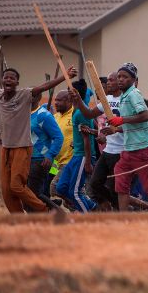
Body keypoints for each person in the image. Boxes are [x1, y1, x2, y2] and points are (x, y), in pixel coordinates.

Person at [0, 65, 78, 213]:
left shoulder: (25, 97)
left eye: (12, 78)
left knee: (18, 186)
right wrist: (1, 140)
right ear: (2, 81)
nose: (8, 79)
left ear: (17, 83)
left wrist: (65, 75)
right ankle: (19, 219)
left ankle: (46, 209)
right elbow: (14, 127)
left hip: (26, 151)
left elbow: (45, 86)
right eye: (6, 77)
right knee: (7, 191)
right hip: (7, 148)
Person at [104, 63, 148, 213]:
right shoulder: (125, 95)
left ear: (134, 80)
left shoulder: (134, 94)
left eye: (125, 77)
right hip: (129, 151)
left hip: (141, 150)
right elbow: (133, 125)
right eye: (119, 76)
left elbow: (145, 115)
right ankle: (123, 218)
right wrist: (116, 129)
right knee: (121, 182)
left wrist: (121, 120)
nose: (120, 79)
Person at [73, 71, 123, 211]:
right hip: (108, 150)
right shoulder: (107, 100)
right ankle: (116, 206)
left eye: (111, 80)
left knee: (114, 186)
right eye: (108, 80)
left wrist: (117, 130)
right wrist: (79, 101)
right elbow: (89, 114)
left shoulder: (126, 100)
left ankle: (122, 211)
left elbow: (135, 125)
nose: (108, 83)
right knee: (95, 184)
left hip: (121, 151)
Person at [58, 79, 99, 212]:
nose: (68, 93)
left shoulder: (81, 113)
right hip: (77, 156)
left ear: (74, 94)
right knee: (61, 188)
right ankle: (93, 207)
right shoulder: (76, 111)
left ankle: (87, 220)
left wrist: (87, 161)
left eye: (69, 91)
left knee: (75, 193)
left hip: (83, 156)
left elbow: (86, 137)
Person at [27, 90, 64, 209]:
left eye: (32, 95)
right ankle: (52, 208)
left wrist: (50, 155)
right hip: (25, 159)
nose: (28, 97)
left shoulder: (43, 115)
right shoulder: (24, 114)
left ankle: (55, 210)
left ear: (38, 97)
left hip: (40, 160)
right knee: (28, 193)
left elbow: (58, 137)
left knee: (33, 194)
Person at [47, 90, 75, 199]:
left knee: (55, 187)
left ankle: (82, 207)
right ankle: (78, 208)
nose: (56, 103)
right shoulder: (55, 117)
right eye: (55, 100)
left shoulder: (75, 114)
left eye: (59, 100)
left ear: (69, 101)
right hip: (56, 162)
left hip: (70, 160)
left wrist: (78, 140)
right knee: (53, 189)